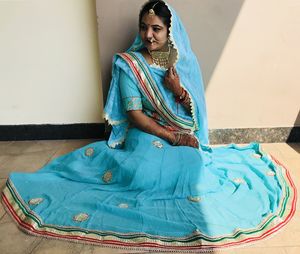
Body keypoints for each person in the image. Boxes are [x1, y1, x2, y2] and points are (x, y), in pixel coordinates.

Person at [1, 0, 296, 252]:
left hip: (180, 134)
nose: (149, 35)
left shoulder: (179, 62)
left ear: (170, 31)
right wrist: (170, 136)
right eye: (144, 27)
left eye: (156, 29)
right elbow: (134, 114)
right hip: (145, 132)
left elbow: (194, 113)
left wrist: (178, 89)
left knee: (193, 172)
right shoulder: (130, 64)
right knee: (143, 173)